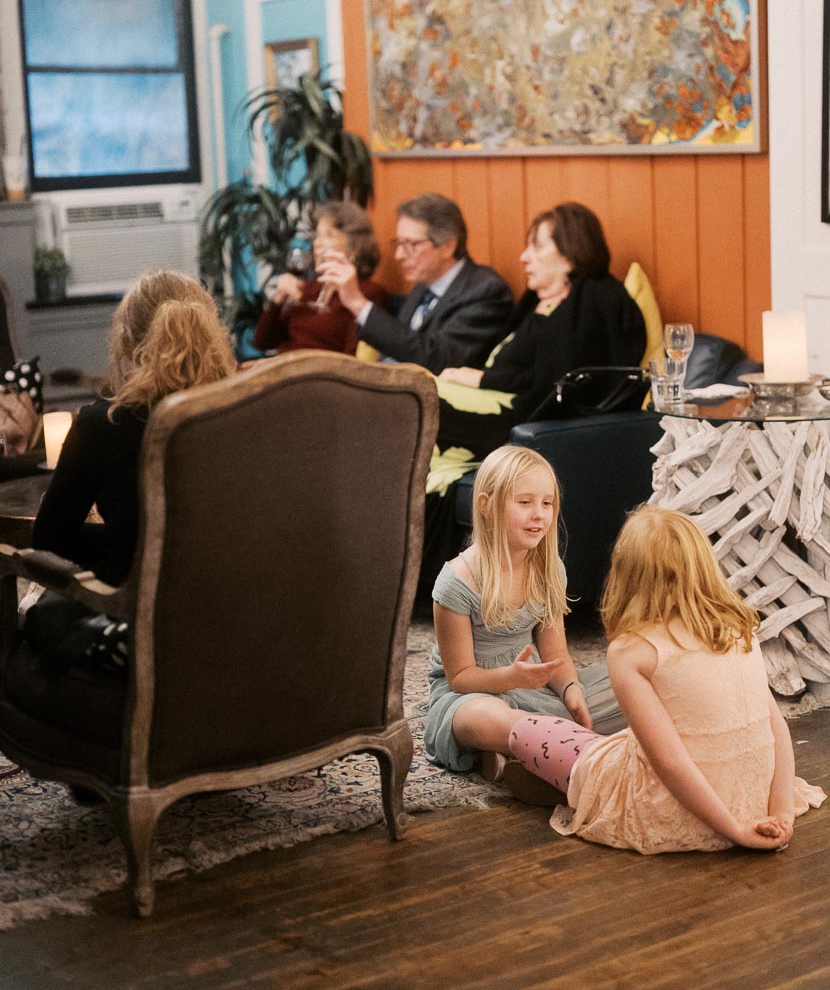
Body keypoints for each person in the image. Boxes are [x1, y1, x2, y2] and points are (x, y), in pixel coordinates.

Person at [505, 505, 826, 853]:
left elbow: (670, 764)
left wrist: (737, 832)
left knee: (526, 731)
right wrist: (780, 813)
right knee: (615, 742)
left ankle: (545, 780)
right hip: (752, 796)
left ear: (626, 573)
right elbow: (777, 727)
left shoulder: (632, 651)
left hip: (680, 807)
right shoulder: (738, 627)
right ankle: (554, 778)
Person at [27, 270, 236, 673]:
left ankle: (122, 646)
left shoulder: (101, 425)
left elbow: (49, 541)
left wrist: (131, 538)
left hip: (141, 613)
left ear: (127, 341)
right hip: (233, 612)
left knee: (43, 616)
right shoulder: (245, 412)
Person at [424, 445, 624, 777]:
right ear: (486, 506)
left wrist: (572, 691)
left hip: (533, 686)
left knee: (634, 684)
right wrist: (511, 678)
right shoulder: (455, 582)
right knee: (484, 717)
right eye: (525, 502)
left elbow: (555, 651)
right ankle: (588, 755)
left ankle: (530, 750)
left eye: (547, 504)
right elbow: (459, 678)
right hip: (472, 693)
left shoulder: (549, 569)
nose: (539, 514)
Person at [436, 201, 646, 458]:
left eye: (537, 247)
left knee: (416, 402)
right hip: (494, 400)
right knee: (410, 394)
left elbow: (554, 384)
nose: (523, 257)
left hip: (524, 417)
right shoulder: (535, 301)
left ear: (569, 255)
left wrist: (482, 379)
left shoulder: (594, 300)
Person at [316, 191, 512, 373]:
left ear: (447, 246)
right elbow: (397, 350)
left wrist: (358, 303)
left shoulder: (486, 291)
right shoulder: (423, 285)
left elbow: (440, 360)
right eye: (399, 243)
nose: (399, 255)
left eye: (412, 245)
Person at [253, 201, 389, 357]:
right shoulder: (309, 288)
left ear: (355, 246)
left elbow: (352, 364)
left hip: (314, 377)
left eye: (328, 236)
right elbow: (262, 342)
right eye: (317, 236)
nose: (318, 244)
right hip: (279, 367)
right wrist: (278, 299)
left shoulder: (367, 294)